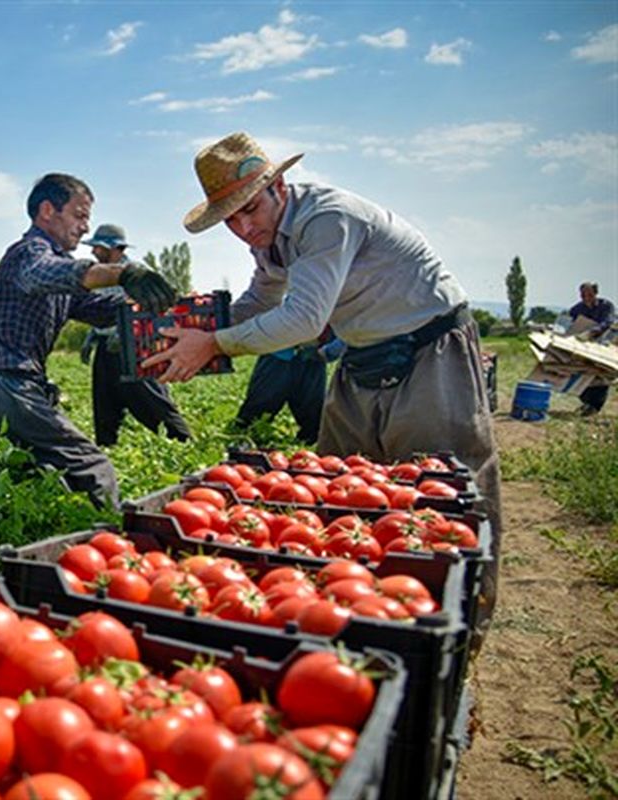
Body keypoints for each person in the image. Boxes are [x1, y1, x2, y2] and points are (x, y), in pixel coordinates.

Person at [144, 132, 501, 634]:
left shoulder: (325, 219)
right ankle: (364, 613)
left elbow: (305, 320)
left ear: (280, 188)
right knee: (340, 490)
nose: (245, 228)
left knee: (442, 490)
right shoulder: (271, 241)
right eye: (232, 220)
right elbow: (262, 300)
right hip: (364, 355)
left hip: (429, 348)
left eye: (251, 210)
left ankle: (464, 624)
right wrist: (198, 330)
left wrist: (218, 344)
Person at [0, 173, 176, 510]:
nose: (85, 227)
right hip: (10, 390)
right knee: (93, 467)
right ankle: (112, 543)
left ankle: (26, 545)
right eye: (79, 215)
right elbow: (45, 273)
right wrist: (122, 273)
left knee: (18, 475)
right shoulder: (29, 252)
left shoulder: (54, 264)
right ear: (48, 210)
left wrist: (147, 305)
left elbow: (94, 307)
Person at [78, 223, 190, 446]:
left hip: (135, 346)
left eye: (98, 247)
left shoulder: (136, 274)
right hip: (106, 346)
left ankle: (181, 441)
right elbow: (99, 308)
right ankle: (107, 448)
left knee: (149, 397)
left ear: (115, 248)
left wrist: (125, 331)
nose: (93, 252)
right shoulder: (100, 274)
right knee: (105, 399)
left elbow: (153, 308)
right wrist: (92, 335)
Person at [233, 328, 344, 444]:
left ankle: (310, 442)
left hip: (314, 355)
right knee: (261, 404)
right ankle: (241, 439)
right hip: (279, 352)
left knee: (313, 412)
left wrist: (328, 351)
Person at [568, 282, 614, 416]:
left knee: (600, 374)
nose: (586, 297)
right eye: (583, 294)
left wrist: (594, 330)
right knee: (581, 373)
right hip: (582, 346)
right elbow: (568, 324)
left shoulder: (606, 306)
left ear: (595, 293)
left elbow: (609, 321)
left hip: (603, 345)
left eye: (589, 294)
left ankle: (595, 406)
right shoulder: (576, 309)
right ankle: (586, 403)